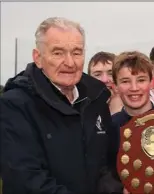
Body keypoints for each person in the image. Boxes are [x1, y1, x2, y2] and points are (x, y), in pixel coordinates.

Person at [0, 17, 122, 194]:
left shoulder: (96, 98)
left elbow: (107, 165)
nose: (70, 62)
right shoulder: (15, 105)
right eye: (58, 53)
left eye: (77, 52)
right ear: (38, 58)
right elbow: (26, 179)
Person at [112, 51, 154, 194]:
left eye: (141, 80)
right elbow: (102, 172)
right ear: (115, 86)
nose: (134, 88)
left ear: (151, 82)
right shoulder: (108, 128)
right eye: (125, 81)